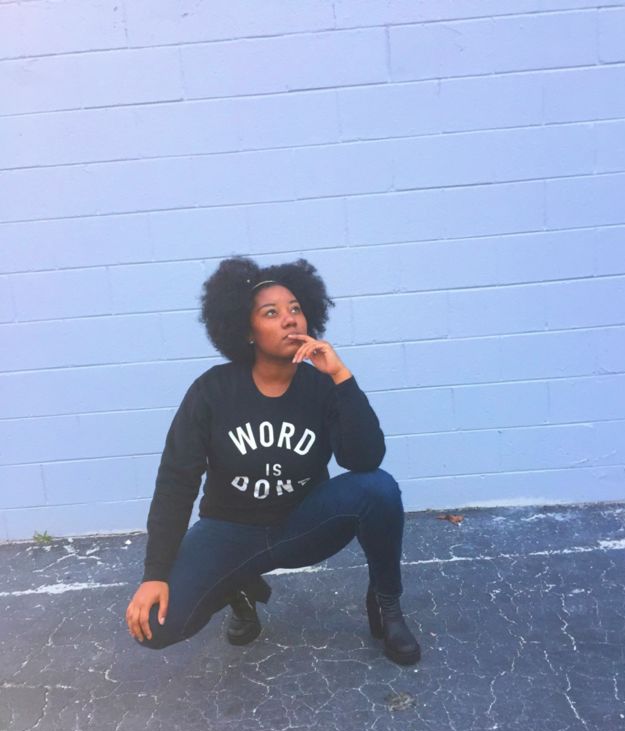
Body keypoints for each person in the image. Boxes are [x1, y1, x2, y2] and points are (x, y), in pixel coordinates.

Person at [125, 255, 420, 665]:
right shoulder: (212, 391)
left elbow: (364, 458)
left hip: (302, 527)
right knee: (155, 627)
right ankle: (240, 588)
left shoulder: (322, 386)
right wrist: (155, 574)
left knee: (378, 488)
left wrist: (341, 377)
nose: (289, 319)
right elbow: (176, 481)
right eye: (271, 313)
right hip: (229, 531)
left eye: (295, 309)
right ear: (246, 330)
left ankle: (387, 604)